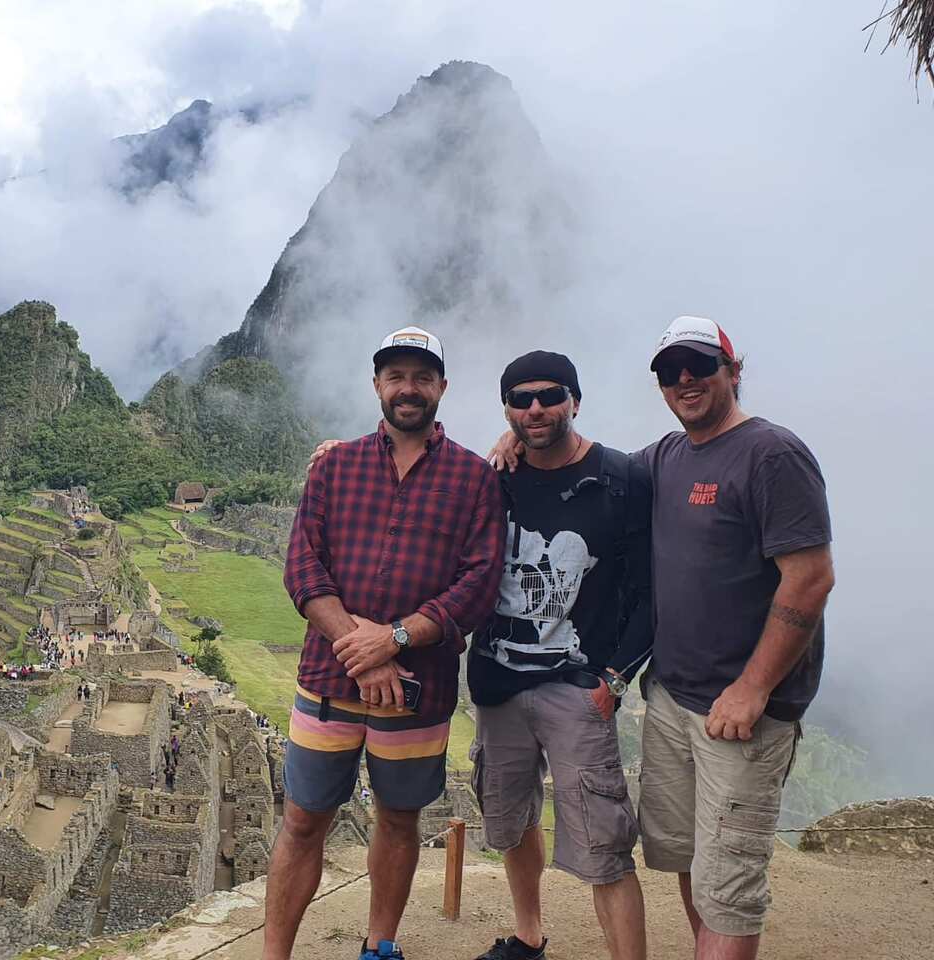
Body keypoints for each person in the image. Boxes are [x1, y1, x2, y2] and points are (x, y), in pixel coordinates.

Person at [490, 317, 835, 960]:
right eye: (669, 371)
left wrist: (753, 689)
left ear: (733, 370)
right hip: (673, 698)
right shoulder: (665, 459)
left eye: (699, 366)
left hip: (739, 711)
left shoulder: (772, 453)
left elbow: (811, 580)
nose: (684, 380)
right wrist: (511, 441)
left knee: (727, 883)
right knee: (690, 865)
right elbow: (583, 459)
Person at [270, 325, 505, 960]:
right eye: (396, 376)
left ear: (442, 388)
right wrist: (364, 649)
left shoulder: (474, 480)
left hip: (417, 691)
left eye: (422, 377)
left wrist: (397, 637)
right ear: (377, 385)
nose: (409, 388)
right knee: (302, 820)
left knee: (400, 820)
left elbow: (478, 586)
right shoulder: (336, 466)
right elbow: (303, 569)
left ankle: (379, 945)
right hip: (328, 682)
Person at [467, 351, 652, 960]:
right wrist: (341, 455)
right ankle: (528, 935)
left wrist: (615, 680)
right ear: (507, 411)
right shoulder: (495, 477)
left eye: (550, 395)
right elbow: (417, 487)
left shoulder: (621, 479)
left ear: (575, 399)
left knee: (603, 840)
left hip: (578, 686)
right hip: (499, 682)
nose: (536, 408)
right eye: (521, 399)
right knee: (513, 821)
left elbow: (652, 589)